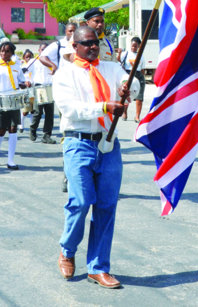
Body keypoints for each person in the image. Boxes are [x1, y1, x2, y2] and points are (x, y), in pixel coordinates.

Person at [52, 26, 137, 289]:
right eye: (87, 43)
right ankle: (68, 249)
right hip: (78, 144)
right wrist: (104, 106)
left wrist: (127, 88)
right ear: (74, 46)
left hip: (108, 144)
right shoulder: (65, 74)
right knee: (81, 201)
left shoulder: (110, 68)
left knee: (106, 206)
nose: (93, 47)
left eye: (96, 43)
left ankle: (98, 267)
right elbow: (70, 108)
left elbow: (131, 84)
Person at [0, 41, 29, 169]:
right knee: (1, 130)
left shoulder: (16, 66)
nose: (4, 53)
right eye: (2, 51)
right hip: (0, 100)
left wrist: (24, 84)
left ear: (12, 53)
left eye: (7, 51)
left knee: (13, 129)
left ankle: (11, 160)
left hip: (13, 100)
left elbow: (21, 81)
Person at [25, 46, 57, 144]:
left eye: (46, 49)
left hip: (50, 87)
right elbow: (25, 72)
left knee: (49, 113)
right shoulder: (34, 61)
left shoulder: (52, 61)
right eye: (42, 49)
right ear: (39, 50)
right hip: (39, 87)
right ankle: (33, 129)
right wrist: (28, 81)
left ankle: (47, 135)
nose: (44, 51)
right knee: (38, 112)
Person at [118, 36, 145, 122]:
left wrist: (142, 79)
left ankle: (137, 116)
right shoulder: (125, 53)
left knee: (139, 97)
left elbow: (142, 69)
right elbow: (118, 61)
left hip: (138, 75)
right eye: (132, 45)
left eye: (135, 46)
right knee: (126, 96)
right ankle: (125, 113)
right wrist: (119, 53)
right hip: (128, 75)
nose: (133, 47)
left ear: (139, 46)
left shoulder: (141, 56)